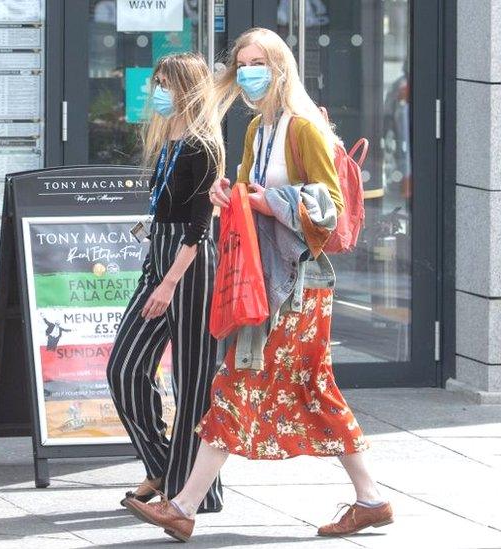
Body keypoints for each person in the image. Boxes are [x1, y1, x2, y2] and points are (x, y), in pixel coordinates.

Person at [123, 28, 393, 542]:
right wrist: (230, 194)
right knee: (314, 389)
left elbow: (327, 208)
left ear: (281, 68)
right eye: (242, 62)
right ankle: (372, 501)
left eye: (258, 62)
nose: (247, 71)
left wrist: (264, 200)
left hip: (296, 282)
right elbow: (248, 193)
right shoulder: (255, 129)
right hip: (272, 278)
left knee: (236, 381)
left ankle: (182, 506)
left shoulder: (303, 128)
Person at [105, 52, 225, 515]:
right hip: (158, 258)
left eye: (166, 83)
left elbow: (199, 225)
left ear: (187, 89)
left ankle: (196, 491)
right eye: (155, 81)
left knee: (192, 379)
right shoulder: (169, 139)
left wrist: (170, 282)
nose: (156, 90)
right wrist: (156, 275)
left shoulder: (202, 145)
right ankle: (162, 468)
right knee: (124, 367)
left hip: (189, 266)